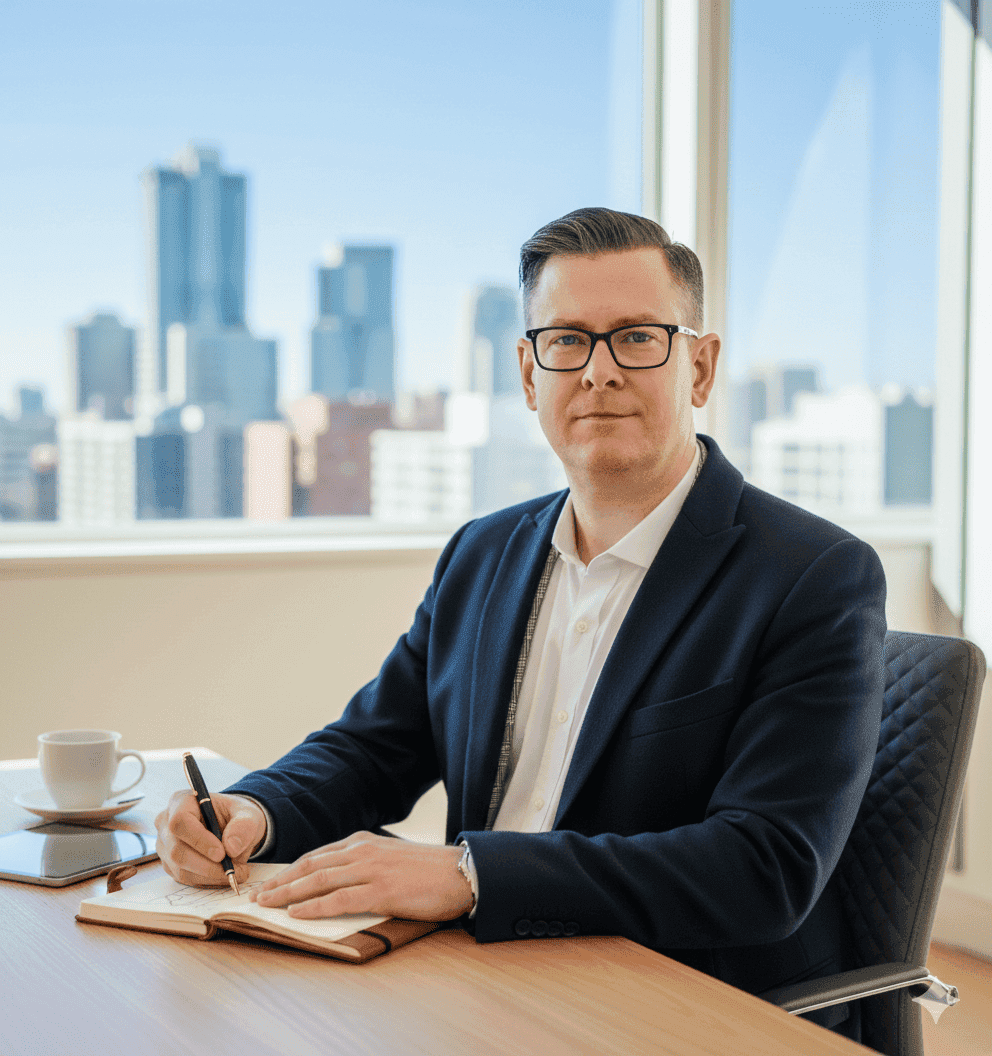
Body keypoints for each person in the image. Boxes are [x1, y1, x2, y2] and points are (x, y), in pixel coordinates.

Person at [156, 207, 885, 1039]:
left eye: (638, 337)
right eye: (567, 340)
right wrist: (255, 810)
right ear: (529, 374)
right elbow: (376, 745)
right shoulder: (483, 552)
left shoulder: (813, 575)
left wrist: (469, 874)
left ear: (700, 367)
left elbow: (764, 868)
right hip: (477, 977)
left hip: (673, 1002)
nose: (599, 372)